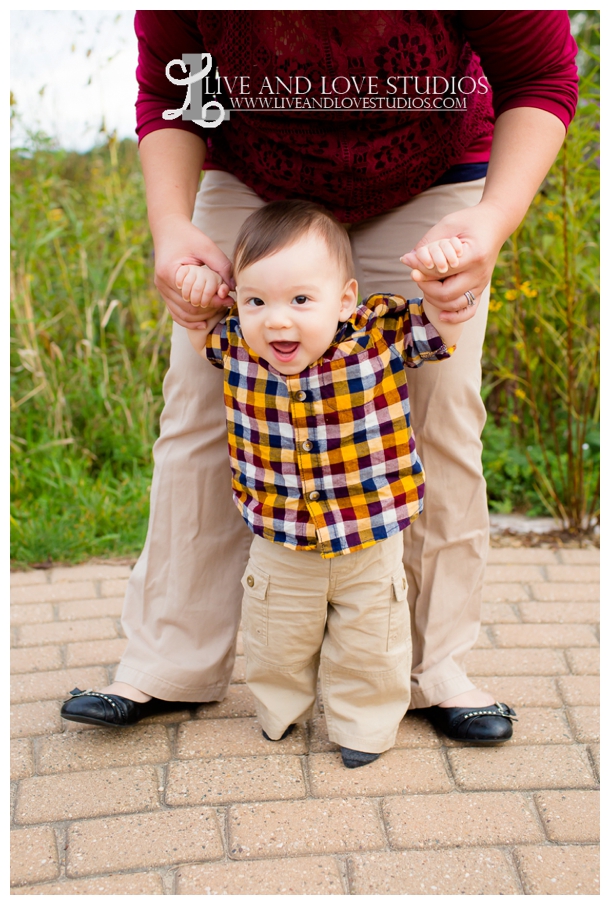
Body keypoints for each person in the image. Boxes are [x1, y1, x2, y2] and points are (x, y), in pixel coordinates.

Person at [61, 11, 578, 743]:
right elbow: (173, 93)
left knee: (441, 406)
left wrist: (490, 221)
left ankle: (432, 670)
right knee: (202, 402)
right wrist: (172, 227)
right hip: (255, 180)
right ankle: (170, 660)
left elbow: (542, 76)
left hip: (432, 175)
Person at [181, 200, 499, 767]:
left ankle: (365, 728)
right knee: (276, 638)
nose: (277, 320)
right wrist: (196, 285)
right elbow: (201, 317)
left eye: (301, 300)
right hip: (280, 539)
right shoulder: (236, 346)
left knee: (371, 643)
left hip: (371, 536)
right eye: (256, 301)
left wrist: (440, 276)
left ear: (346, 299)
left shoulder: (375, 337)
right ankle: (280, 712)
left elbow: (440, 325)